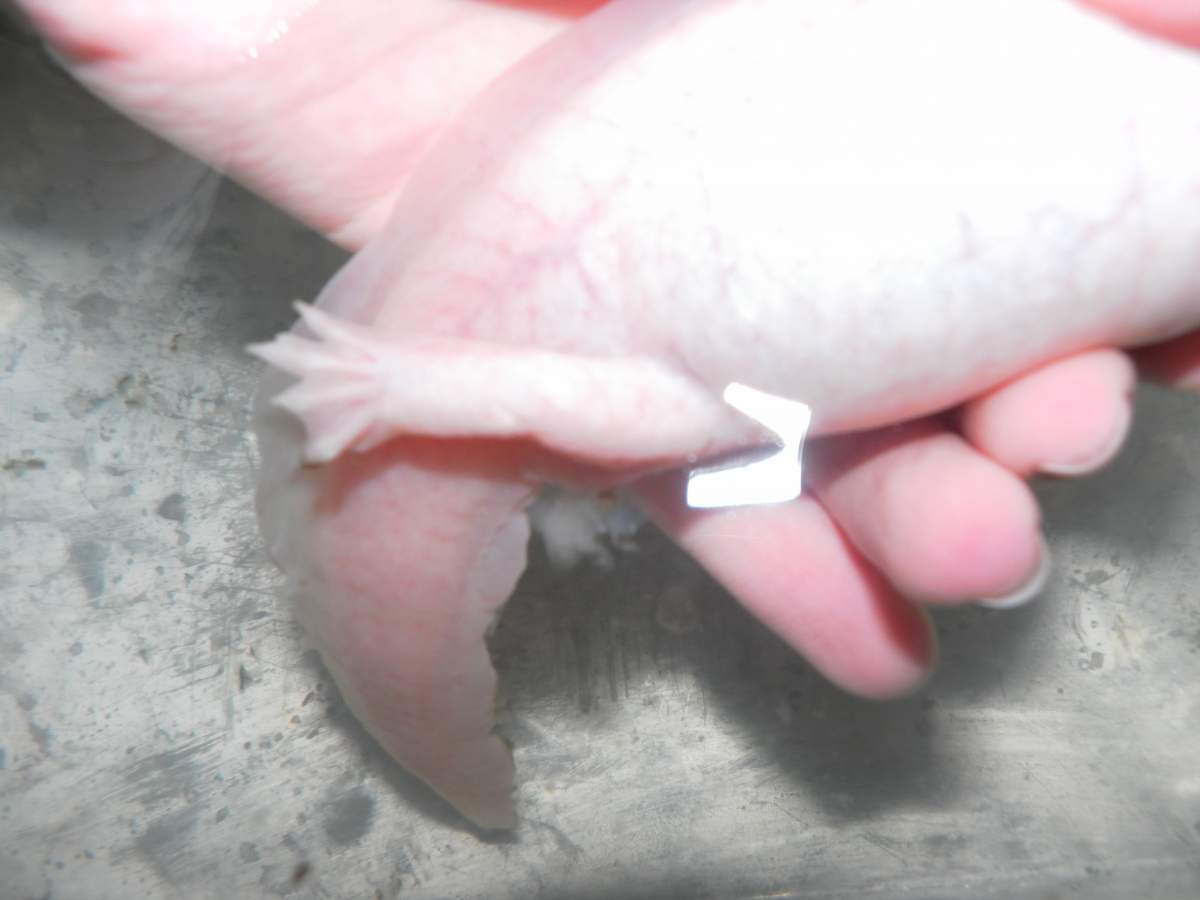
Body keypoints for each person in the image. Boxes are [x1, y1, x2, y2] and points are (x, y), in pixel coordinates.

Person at [15, 0, 1199, 699]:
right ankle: (418, 388)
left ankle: (417, 386)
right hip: (705, 245)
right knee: (655, 401)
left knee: (659, 403)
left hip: (729, 253)